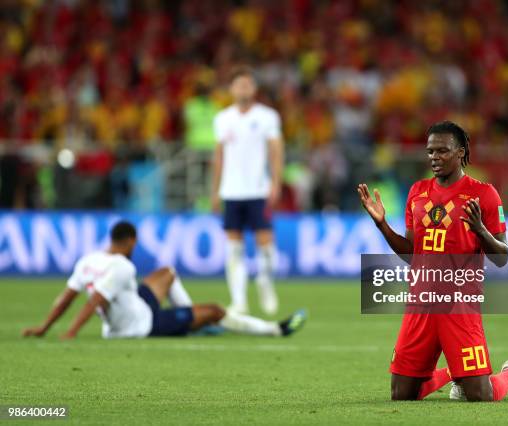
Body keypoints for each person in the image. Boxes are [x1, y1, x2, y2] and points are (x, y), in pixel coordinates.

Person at [357, 121, 508, 401]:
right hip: (421, 302)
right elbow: (412, 253)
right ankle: (454, 373)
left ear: (460, 152)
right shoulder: (417, 192)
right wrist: (382, 225)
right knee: (402, 395)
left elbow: (502, 257)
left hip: (460, 304)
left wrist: (481, 230)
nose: (435, 157)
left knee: (480, 396)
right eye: (430, 151)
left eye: (442, 151)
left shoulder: (483, 194)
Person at [22, 221, 305, 340]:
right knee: (216, 311)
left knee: (168, 272)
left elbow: (67, 297)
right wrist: (71, 333)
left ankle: (193, 323)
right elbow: (96, 300)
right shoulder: (122, 266)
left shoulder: (88, 261)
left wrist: (43, 328)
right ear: (130, 241)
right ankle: (275, 330)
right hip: (141, 324)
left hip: (134, 305)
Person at [211, 66, 284, 315]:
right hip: (231, 192)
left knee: (266, 245)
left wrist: (275, 182)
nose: (243, 89)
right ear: (231, 89)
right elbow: (219, 156)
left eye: (247, 84)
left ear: (254, 88)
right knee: (234, 248)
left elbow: (276, 150)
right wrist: (215, 189)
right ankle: (239, 300)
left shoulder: (267, 116)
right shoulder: (222, 119)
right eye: (239, 84)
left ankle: (265, 282)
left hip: (258, 190)